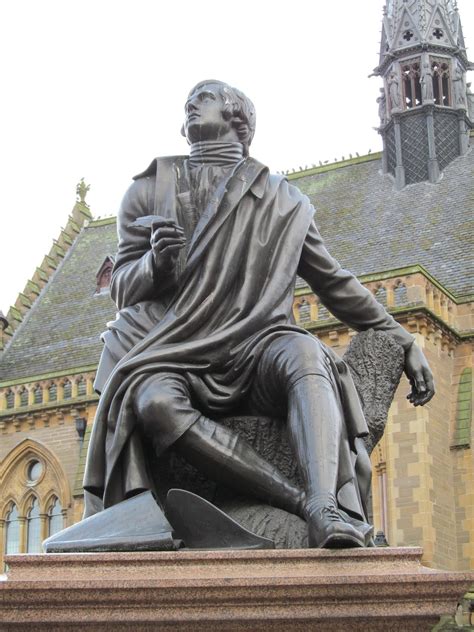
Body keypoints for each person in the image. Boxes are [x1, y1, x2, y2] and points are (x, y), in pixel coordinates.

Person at [83, 80, 434, 548]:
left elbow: (332, 282)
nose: (189, 105)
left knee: (307, 353)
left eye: (202, 98)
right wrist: (155, 265)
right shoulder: (148, 190)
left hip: (255, 348)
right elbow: (123, 288)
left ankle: (326, 502)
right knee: (153, 403)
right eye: (187, 102)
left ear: (239, 119)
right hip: (171, 352)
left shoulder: (284, 201)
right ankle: (303, 503)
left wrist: (401, 337)